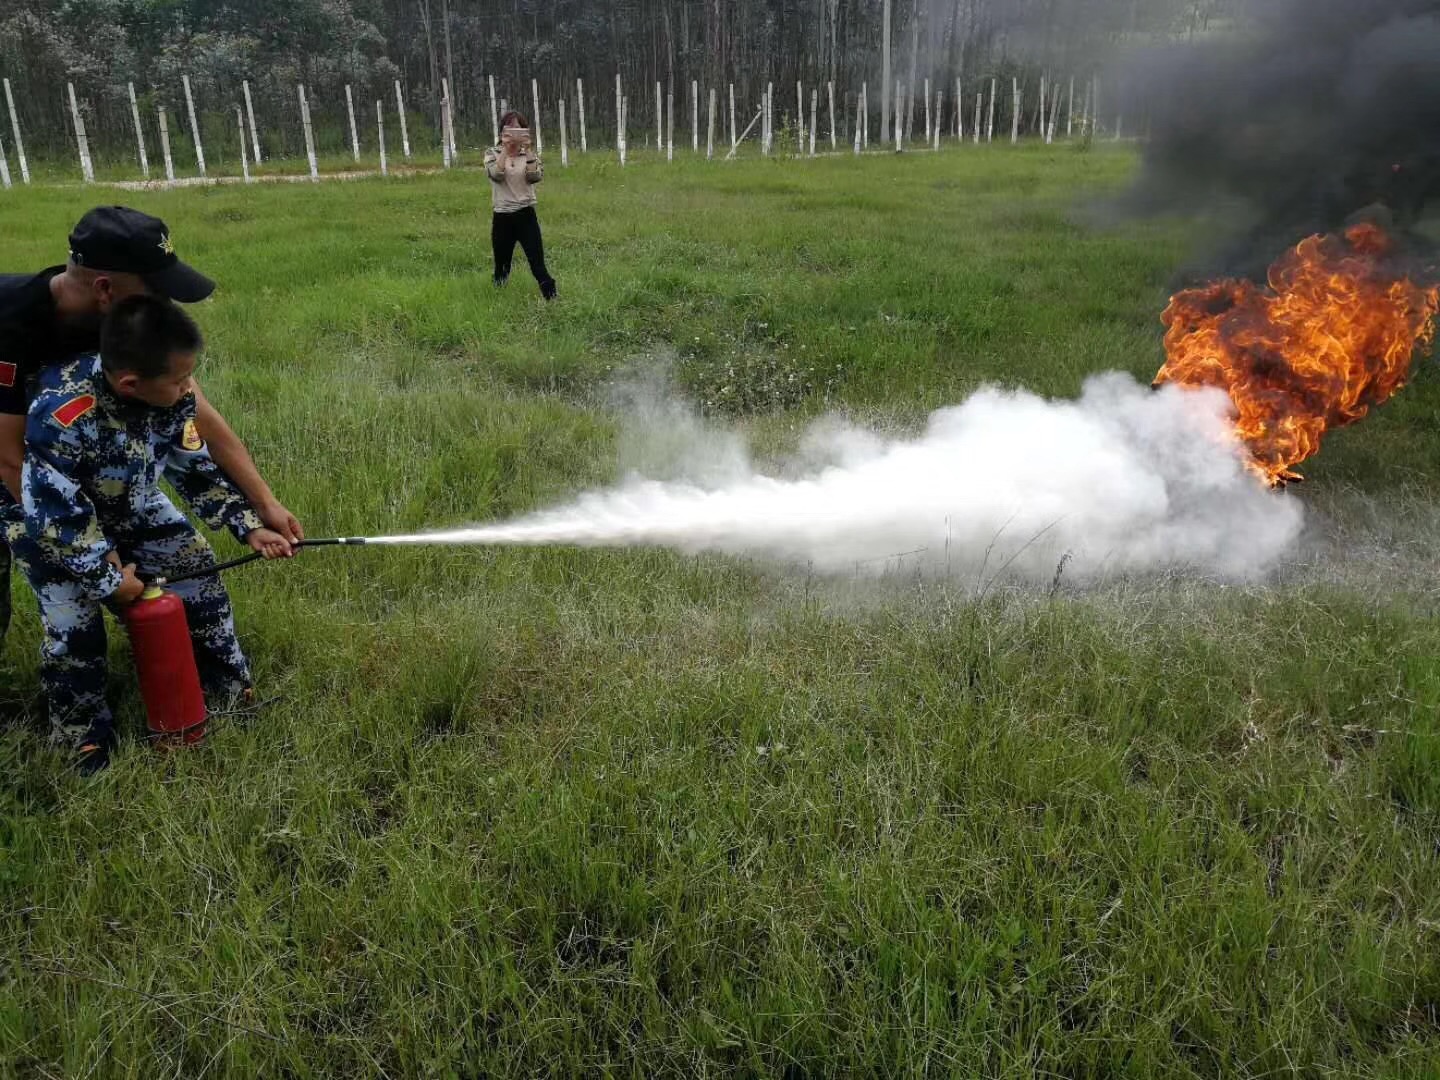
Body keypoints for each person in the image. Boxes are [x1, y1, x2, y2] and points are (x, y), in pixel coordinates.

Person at [6, 295, 292, 774]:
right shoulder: (63, 413)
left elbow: (193, 467)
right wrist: (108, 577)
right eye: (181, 380)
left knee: (196, 571)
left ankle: (225, 685)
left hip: (132, 500)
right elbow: (58, 514)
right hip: (48, 523)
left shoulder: (169, 401)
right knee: (74, 628)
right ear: (131, 383)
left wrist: (248, 526)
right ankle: (81, 736)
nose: (189, 391)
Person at [0, 206, 303, 646]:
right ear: (105, 289)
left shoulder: (124, 326)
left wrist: (265, 503)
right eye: (157, 292)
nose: (166, 307)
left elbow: (200, 414)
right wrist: (100, 559)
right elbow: (12, 463)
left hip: (58, 460)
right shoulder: (13, 327)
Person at [483, 111, 558, 300]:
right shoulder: (492, 153)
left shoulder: (529, 154)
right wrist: (506, 150)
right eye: (510, 128)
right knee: (502, 267)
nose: (514, 133)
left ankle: (552, 299)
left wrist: (529, 150)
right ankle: (497, 302)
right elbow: (496, 175)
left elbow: (535, 177)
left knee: (538, 264)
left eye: (518, 128)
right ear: (502, 131)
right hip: (502, 216)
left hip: (526, 215)